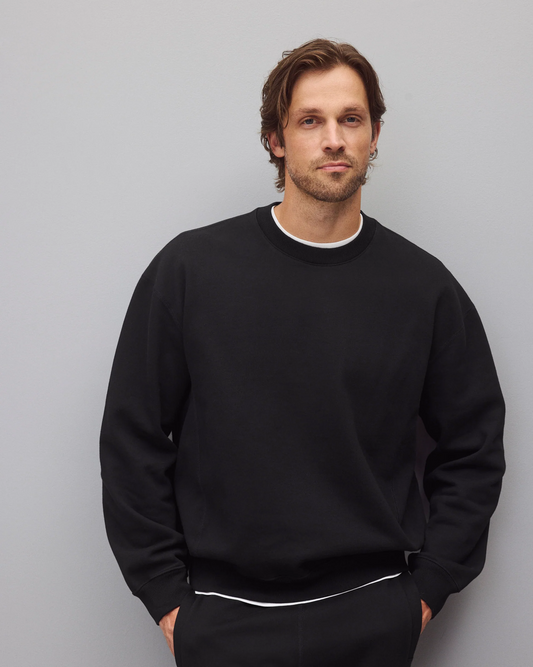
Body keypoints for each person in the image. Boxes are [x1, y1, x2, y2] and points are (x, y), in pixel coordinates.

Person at [100, 39, 505, 666]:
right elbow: (132, 440)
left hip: (372, 612)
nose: (334, 140)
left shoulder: (423, 289)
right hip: (223, 616)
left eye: (351, 119)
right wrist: (166, 596)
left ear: (374, 134)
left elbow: (474, 447)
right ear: (276, 139)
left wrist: (424, 592)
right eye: (310, 121)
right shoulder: (191, 271)